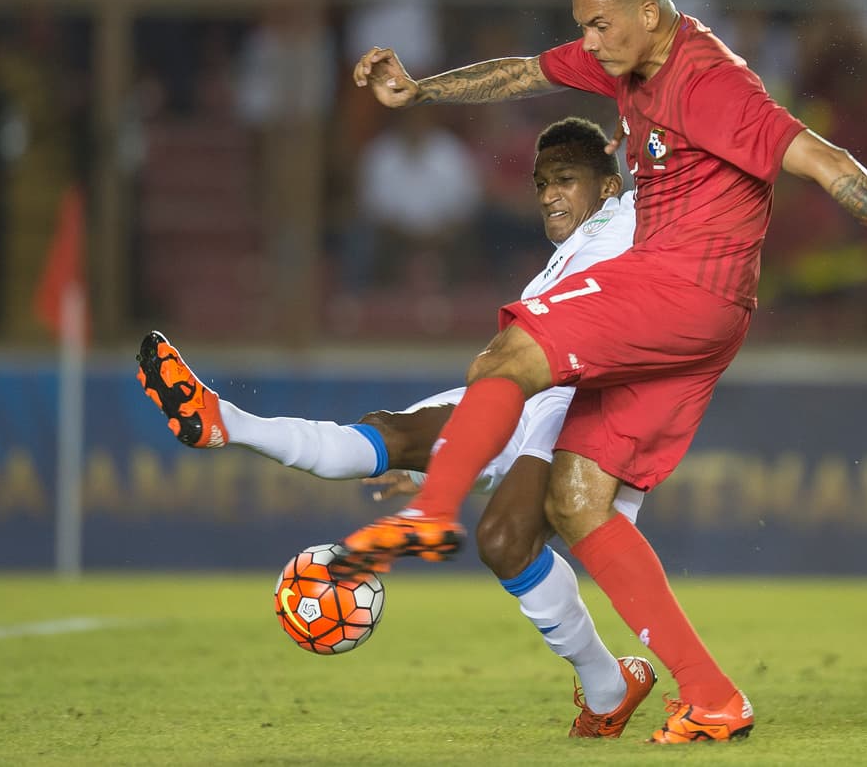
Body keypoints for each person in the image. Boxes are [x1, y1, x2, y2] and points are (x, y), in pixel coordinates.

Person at [340, 0, 867, 744]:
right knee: (577, 499)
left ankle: (430, 511)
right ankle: (713, 695)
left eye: (602, 25)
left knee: (508, 354)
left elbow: (827, 160)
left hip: (680, 289)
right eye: (584, 27)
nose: (592, 43)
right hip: (707, 313)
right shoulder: (621, 55)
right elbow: (526, 72)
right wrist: (420, 91)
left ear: (650, 12)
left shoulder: (713, 85)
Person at [139, 117, 660, 739]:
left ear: (607, 187)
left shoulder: (633, 216)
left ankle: (609, 691)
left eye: (566, 181)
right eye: (542, 182)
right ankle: (228, 422)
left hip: (589, 397)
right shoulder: (558, 261)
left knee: (504, 539)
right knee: (391, 433)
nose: (548, 194)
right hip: (533, 394)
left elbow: (668, 153)